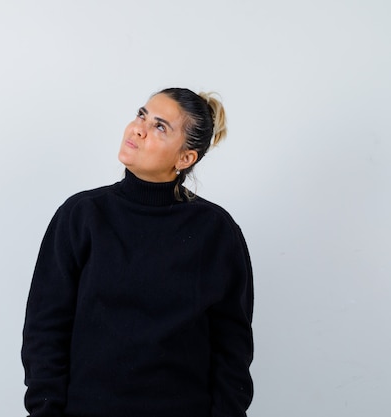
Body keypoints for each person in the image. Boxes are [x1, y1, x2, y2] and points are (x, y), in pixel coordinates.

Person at [21, 87, 254, 417]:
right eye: (141, 114)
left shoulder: (216, 232)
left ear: (185, 158)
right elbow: (44, 330)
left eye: (160, 126)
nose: (138, 128)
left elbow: (232, 348)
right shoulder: (82, 216)